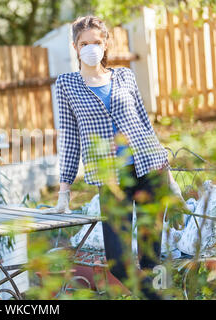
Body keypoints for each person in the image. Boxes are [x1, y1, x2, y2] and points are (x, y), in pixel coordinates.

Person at [42, 15, 186, 299]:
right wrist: (64, 191)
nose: (91, 48)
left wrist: (171, 181)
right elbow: (70, 139)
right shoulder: (67, 85)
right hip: (111, 179)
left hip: (150, 171)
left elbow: (146, 126)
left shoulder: (125, 76)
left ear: (105, 43)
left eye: (96, 42)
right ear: (75, 47)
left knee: (150, 260)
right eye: (84, 43)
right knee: (118, 263)